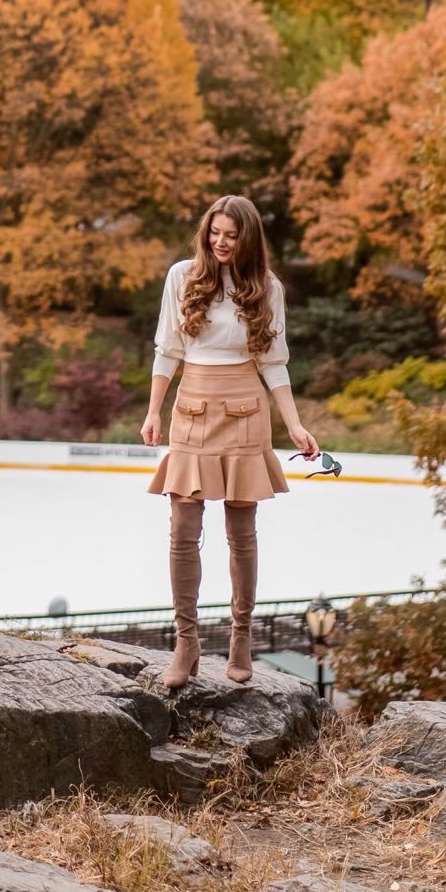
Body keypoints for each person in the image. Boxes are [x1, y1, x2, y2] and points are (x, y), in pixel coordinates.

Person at [141, 194, 319, 687]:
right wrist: (153, 410)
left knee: (242, 534)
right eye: (214, 233)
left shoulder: (267, 287)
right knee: (182, 527)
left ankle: (241, 637)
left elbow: (274, 363)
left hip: (245, 408)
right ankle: (187, 641)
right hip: (191, 407)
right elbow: (167, 349)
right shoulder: (182, 276)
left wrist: (295, 425)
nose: (220, 242)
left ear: (248, 240)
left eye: (231, 236)